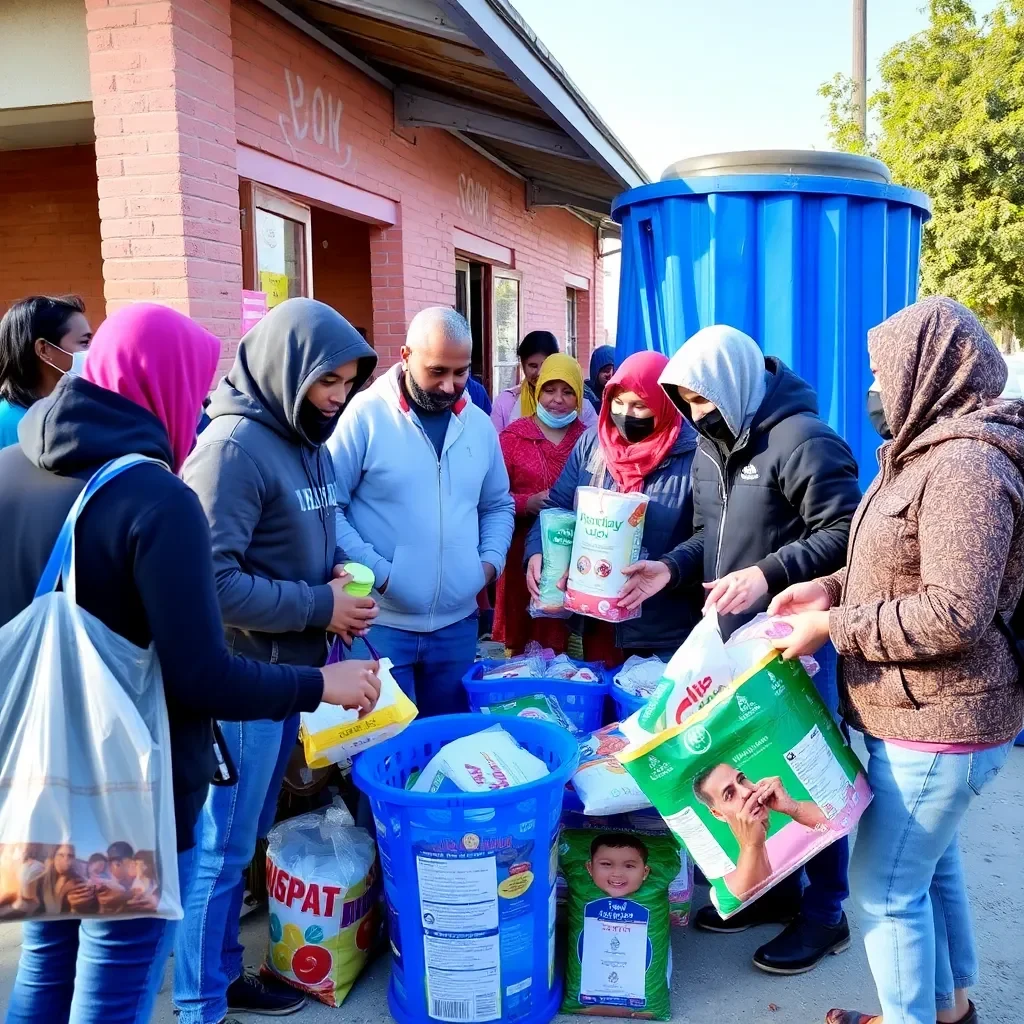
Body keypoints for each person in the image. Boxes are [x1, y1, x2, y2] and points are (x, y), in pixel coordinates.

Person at [0, 302, 380, 1024]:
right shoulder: (157, 495)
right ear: (164, 382)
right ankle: (205, 1003)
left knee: (49, 957)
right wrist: (316, 682)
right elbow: (200, 674)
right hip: (127, 780)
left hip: (33, 769)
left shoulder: (7, 470)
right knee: (115, 978)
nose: (201, 404)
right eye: (194, 384)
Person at [769, 297, 1024, 1024]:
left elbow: (954, 610)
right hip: (915, 713)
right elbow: (892, 568)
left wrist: (834, 626)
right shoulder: (924, 452)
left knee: (883, 890)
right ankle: (950, 1009)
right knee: (928, 866)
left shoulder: (966, 468)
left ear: (931, 370)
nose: (875, 390)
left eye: (884, 372)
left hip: (939, 718)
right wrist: (824, 585)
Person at [620, 324, 862, 974]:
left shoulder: (803, 439)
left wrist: (770, 574)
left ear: (735, 383)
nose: (698, 414)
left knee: (809, 767)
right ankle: (775, 893)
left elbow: (848, 533)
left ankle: (825, 913)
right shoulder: (711, 447)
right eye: (688, 402)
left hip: (794, 638)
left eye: (704, 399)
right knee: (748, 769)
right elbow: (710, 535)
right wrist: (669, 569)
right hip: (736, 643)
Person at [174, 297, 379, 1023]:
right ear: (287, 369)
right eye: (329, 382)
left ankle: (225, 975)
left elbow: (310, 544)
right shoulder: (230, 449)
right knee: (219, 854)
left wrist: (343, 595)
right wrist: (318, 605)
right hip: (241, 682)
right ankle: (201, 1001)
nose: (338, 399)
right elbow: (212, 584)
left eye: (349, 384)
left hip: (289, 677)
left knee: (244, 841)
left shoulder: (305, 439)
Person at [329, 306, 514, 716]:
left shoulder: (480, 426)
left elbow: (498, 504)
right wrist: (383, 573)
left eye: (461, 372)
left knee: (447, 748)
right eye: (437, 372)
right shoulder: (364, 416)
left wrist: (487, 565)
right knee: (384, 752)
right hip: (378, 624)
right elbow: (330, 508)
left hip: (458, 627)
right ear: (405, 354)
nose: (450, 386)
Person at [525, 351, 700, 665]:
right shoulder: (593, 444)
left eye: (639, 405)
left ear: (664, 403)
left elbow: (708, 536)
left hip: (663, 626)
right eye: (618, 403)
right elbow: (558, 507)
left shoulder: (694, 456)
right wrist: (538, 550)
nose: (626, 414)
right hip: (597, 619)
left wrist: (672, 569)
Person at [494, 353, 587, 654]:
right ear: (536, 391)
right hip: (521, 549)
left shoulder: (589, 441)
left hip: (576, 556)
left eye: (568, 391)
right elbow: (489, 499)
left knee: (570, 640)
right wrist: (525, 503)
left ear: (579, 396)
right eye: (549, 389)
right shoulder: (512, 438)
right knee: (523, 639)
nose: (557, 399)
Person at [693, 765, 829, 900]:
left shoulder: (794, 825)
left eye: (741, 780)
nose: (746, 792)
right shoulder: (725, 866)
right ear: (718, 814)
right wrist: (751, 846)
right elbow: (746, 895)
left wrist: (795, 808)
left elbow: (839, 823)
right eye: (729, 794)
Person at [0, 295, 92, 448]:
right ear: (44, 350)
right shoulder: (9, 422)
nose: (92, 351)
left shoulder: (72, 411)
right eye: (84, 343)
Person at [491, 330, 598, 432]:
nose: (539, 373)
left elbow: (595, 442)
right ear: (523, 366)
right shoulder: (506, 403)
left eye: (545, 365)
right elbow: (496, 445)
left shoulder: (581, 405)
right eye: (533, 366)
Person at [584, 343, 615, 413]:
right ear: (596, 372)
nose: (611, 375)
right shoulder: (586, 396)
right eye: (606, 370)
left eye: (615, 370)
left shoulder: (622, 393)